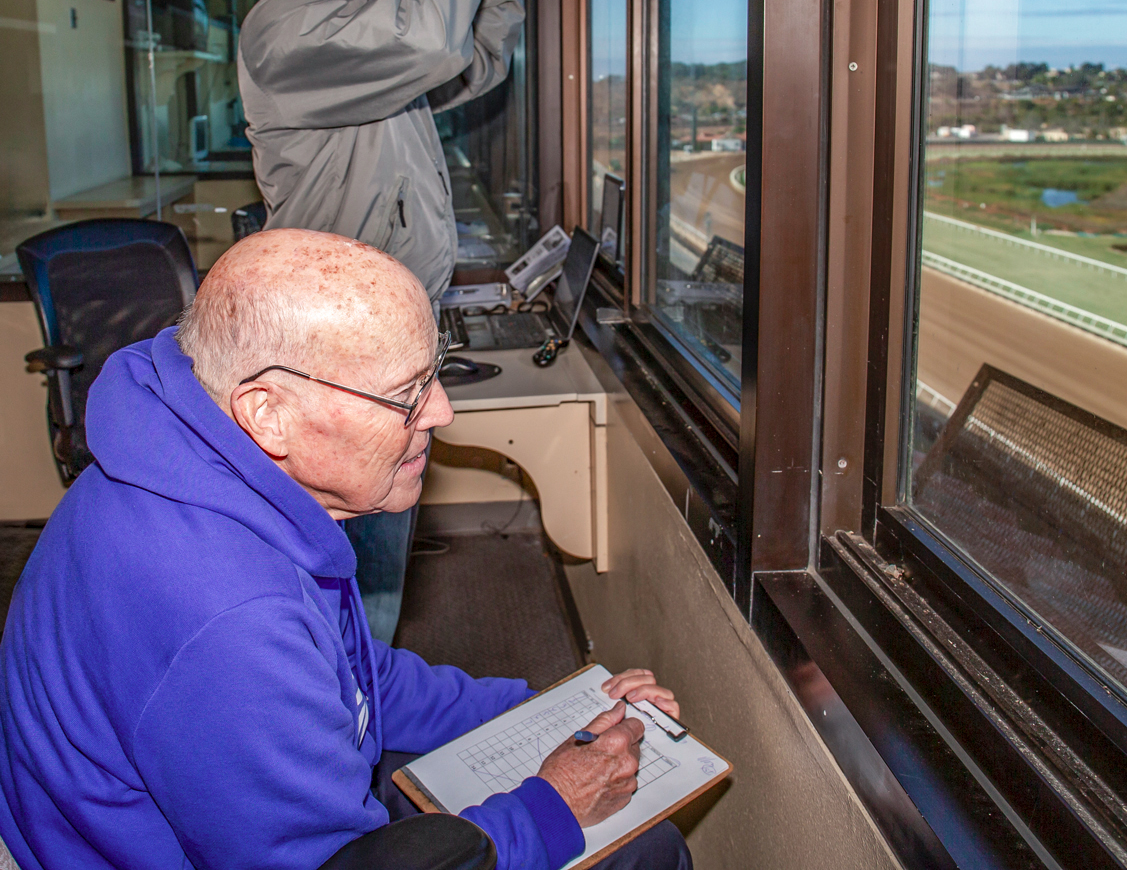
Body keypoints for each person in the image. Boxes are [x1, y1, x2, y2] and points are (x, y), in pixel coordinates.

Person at [0, 229, 691, 870]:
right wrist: (553, 807)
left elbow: (356, 681)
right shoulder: (230, 620)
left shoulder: (192, 454)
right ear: (268, 412)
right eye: (407, 393)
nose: (443, 411)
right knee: (645, 850)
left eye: (434, 372)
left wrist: (551, 709)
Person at [238, 0, 526, 640]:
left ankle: (360, 702)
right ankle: (336, 728)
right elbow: (429, 39)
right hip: (334, 356)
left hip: (385, 342)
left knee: (377, 547)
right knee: (349, 565)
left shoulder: (355, 37)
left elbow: (474, 57)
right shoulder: (286, 36)